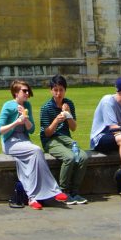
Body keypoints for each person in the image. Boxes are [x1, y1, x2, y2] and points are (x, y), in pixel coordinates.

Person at [0, 78, 68, 210]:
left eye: (28, 90)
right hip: (10, 142)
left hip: (24, 141)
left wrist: (25, 119)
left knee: (29, 162)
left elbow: (32, 129)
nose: (27, 93)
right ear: (16, 92)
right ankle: (54, 190)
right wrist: (17, 122)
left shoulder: (27, 106)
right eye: (24, 91)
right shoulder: (8, 105)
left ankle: (32, 198)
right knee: (36, 150)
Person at [40, 74, 89, 204]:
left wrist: (68, 115)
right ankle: (62, 191)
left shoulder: (69, 104)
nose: (58, 93)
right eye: (55, 90)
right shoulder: (46, 108)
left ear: (65, 90)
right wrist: (56, 120)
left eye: (61, 90)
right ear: (51, 90)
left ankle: (75, 192)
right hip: (50, 140)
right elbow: (47, 133)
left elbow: (73, 128)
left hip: (65, 138)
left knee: (83, 157)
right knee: (69, 157)